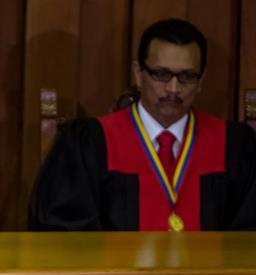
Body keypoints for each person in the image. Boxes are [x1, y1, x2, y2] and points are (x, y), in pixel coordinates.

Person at [29, 18, 256, 231]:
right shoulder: (90, 144)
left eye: (187, 76)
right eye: (161, 74)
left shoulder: (235, 146)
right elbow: (64, 234)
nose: (174, 89)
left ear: (201, 82)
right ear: (138, 74)